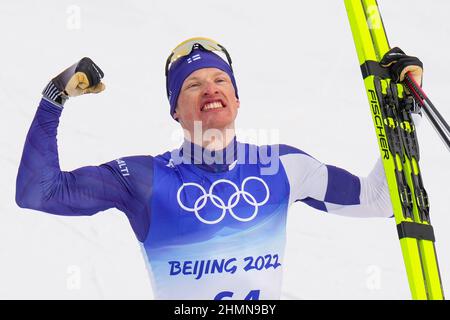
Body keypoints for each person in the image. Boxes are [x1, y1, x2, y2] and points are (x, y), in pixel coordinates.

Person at [15, 38, 423, 300]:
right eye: (193, 84)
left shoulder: (283, 167)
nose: (210, 88)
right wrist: (54, 99)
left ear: (237, 99)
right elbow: (39, 192)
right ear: (175, 110)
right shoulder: (143, 179)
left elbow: (380, 201)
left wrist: (403, 109)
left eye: (219, 80)